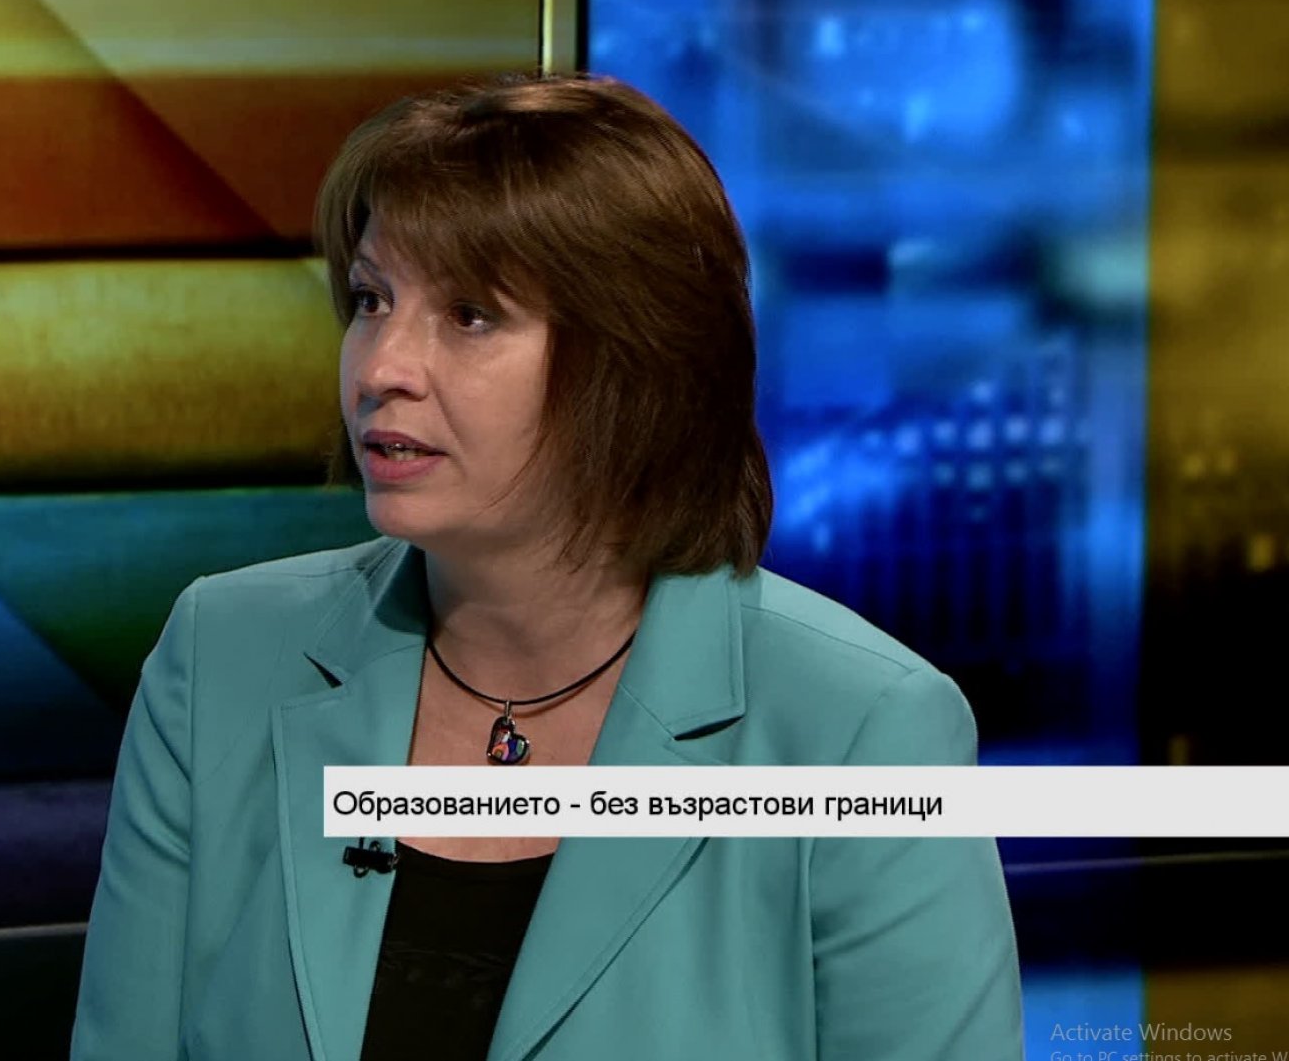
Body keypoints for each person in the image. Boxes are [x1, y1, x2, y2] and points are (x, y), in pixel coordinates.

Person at [70, 72, 1023, 1061]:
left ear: (634, 363)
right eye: (370, 299)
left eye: (469, 315)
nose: (381, 366)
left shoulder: (861, 732)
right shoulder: (221, 659)